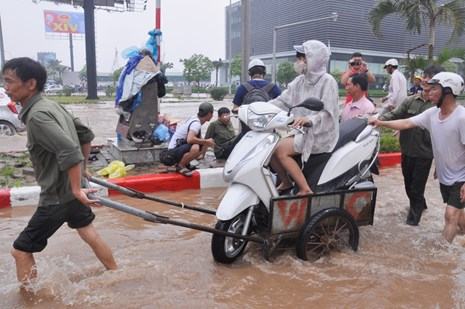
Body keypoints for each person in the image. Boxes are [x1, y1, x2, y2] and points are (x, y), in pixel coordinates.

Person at [3, 57, 117, 287]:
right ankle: (116, 274)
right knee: (88, 232)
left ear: (30, 84)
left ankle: (30, 301)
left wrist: (76, 187)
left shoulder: (37, 116)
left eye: (9, 81)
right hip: (72, 193)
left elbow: (68, 149)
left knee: (20, 251)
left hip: (57, 196)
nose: (5, 88)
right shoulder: (52, 105)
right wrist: (81, 174)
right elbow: (85, 134)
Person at [370, 72, 465, 242]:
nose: (429, 92)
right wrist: (381, 122)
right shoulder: (432, 115)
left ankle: (441, 259)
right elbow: (407, 123)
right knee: (457, 214)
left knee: (450, 216)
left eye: (434, 88)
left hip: (461, 177)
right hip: (446, 176)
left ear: (449, 92)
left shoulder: (462, 118)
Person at [268, 40, 339, 195]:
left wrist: (310, 120)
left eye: (302, 58)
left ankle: (305, 188)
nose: (298, 62)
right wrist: (261, 108)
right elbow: (282, 101)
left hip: (320, 134)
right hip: (300, 130)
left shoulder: (328, 81)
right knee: (268, 146)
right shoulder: (300, 80)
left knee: (280, 151)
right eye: (299, 58)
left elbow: (329, 113)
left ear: (314, 59)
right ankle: (286, 182)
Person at [378, 64, 444, 226]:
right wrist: (376, 120)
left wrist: (440, 164)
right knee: (408, 184)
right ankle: (421, 204)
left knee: (416, 187)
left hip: (425, 154)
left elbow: (443, 138)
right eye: (425, 80)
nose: (426, 85)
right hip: (407, 150)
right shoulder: (410, 101)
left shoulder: (439, 107)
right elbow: (395, 115)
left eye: (431, 82)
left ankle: (412, 223)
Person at [167, 102, 215, 176]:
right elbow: (190, 139)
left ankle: (186, 163)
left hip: (176, 148)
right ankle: (181, 165)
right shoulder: (196, 124)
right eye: (212, 113)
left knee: (203, 143)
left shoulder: (194, 118)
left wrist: (205, 143)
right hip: (173, 152)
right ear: (209, 114)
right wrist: (206, 142)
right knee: (196, 147)